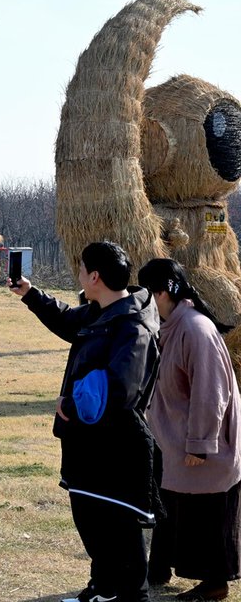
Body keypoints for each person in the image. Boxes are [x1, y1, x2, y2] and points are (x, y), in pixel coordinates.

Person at [10, 241, 161, 602]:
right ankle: (104, 588)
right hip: (86, 440)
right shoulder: (99, 311)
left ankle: (129, 594)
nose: (77, 274)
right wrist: (30, 294)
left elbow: (121, 388)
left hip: (115, 442)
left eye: (81, 269)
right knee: (91, 515)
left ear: (95, 276)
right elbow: (66, 319)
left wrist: (73, 406)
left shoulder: (132, 325)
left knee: (117, 523)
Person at [139, 258, 241, 602]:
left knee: (206, 515)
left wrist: (200, 444)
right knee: (175, 507)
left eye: (145, 293)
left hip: (203, 446)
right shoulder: (171, 326)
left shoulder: (196, 329)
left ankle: (215, 584)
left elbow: (210, 391)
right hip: (176, 441)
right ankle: (162, 569)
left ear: (161, 293)